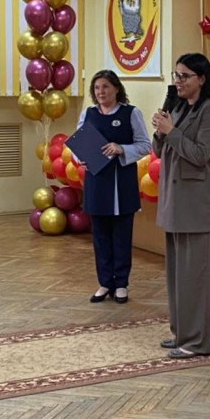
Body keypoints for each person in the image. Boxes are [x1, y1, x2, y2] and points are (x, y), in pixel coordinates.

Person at [151, 53, 210, 360]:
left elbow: (200, 154)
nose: (178, 81)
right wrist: (160, 131)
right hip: (175, 201)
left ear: (202, 79)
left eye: (185, 76)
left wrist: (172, 131)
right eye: (176, 75)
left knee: (197, 277)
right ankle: (181, 332)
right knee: (178, 276)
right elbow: (158, 150)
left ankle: (198, 342)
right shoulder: (179, 107)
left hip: (197, 203)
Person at [77, 70, 151, 304]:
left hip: (121, 185)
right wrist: (81, 158)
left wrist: (122, 149)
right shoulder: (88, 114)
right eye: (97, 88)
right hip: (96, 183)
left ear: (116, 88)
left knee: (121, 237)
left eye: (106, 86)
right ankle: (105, 282)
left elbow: (145, 145)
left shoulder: (131, 113)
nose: (101, 92)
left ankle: (121, 284)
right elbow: (77, 145)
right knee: (100, 237)